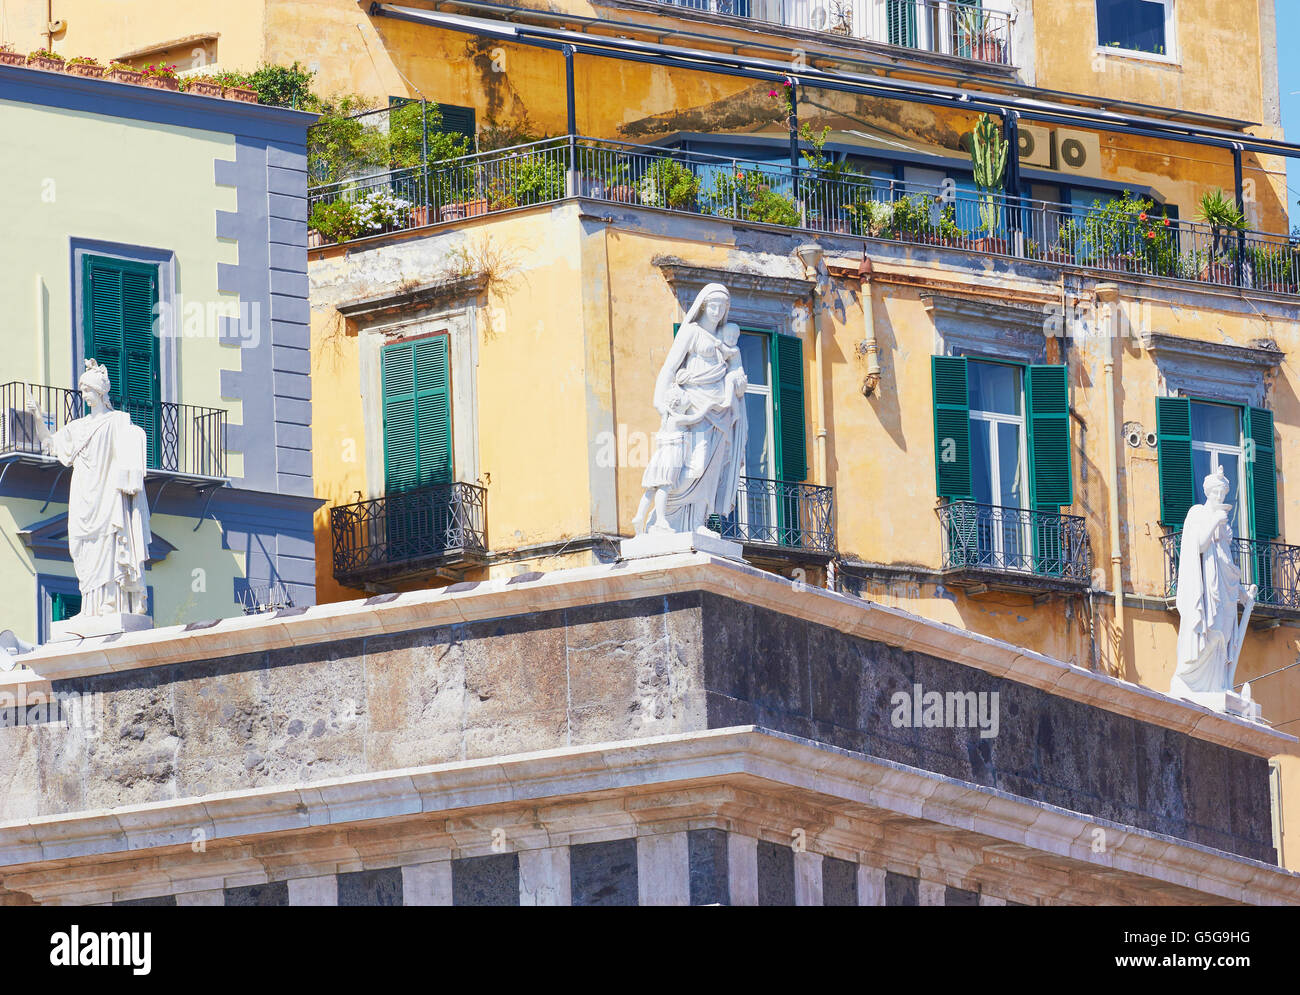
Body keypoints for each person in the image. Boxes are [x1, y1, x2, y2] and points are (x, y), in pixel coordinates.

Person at [26, 360, 152, 621]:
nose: (85, 396)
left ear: (101, 393)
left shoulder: (117, 422)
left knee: (107, 543)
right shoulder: (78, 428)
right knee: (81, 546)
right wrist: (38, 416)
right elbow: (50, 442)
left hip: (107, 492)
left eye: (88, 391)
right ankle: (89, 605)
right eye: (83, 391)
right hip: (83, 493)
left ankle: (109, 602)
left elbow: (132, 447)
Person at [633, 285, 748, 535]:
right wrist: (659, 400)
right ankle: (665, 515)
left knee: (711, 466)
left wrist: (738, 380)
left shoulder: (725, 340)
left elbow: (737, 371)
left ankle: (698, 522)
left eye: (722, 307)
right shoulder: (692, 333)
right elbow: (669, 367)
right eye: (713, 305)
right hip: (695, 402)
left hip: (721, 407)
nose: (717, 311)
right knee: (693, 464)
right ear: (704, 306)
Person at [1172, 465, 1256, 697]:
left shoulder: (1224, 528)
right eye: (1217, 492)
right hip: (1205, 593)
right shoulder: (1198, 514)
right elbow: (1197, 545)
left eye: (1224, 493)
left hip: (1223, 595)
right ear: (1208, 492)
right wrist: (1214, 522)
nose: (1220, 496)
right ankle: (1192, 683)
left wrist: (1241, 593)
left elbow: (1225, 568)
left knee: (1223, 636)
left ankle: (1219, 685)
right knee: (1209, 634)